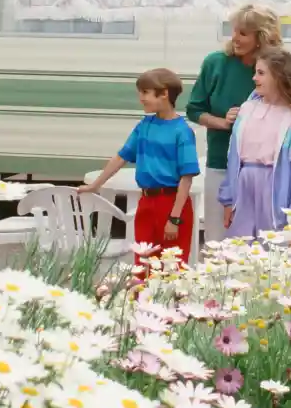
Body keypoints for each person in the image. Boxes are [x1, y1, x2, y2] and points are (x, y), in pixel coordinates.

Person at [186, 4, 291, 243]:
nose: (234, 37)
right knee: (220, 236)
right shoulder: (216, 63)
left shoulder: (275, 67)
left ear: (261, 38)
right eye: (233, 30)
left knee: (264, 240)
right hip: (221, 162)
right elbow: (194, 110)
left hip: (271, 173)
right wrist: (225, 123)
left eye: (243, 33)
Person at [80, 68, 201, 268]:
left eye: (145, 92)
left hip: (171, 203)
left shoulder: (182, 132)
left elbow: (186, 178)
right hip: (146, 203)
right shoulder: (144, 126)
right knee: (142, 266)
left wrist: (175, 218)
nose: (141, 98)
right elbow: (121, 157)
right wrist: (96, 185)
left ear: (164, 94)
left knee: (172, 267)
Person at [218, 46, 291, 238]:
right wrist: (229, 201)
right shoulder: (247, 109)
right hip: (244, 189)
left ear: (279, 77)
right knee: (239, 247)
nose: (254, 78)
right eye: (255, 72)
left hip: (275, 189)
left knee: (272, 247)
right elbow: (233, 158)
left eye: (261, 73)